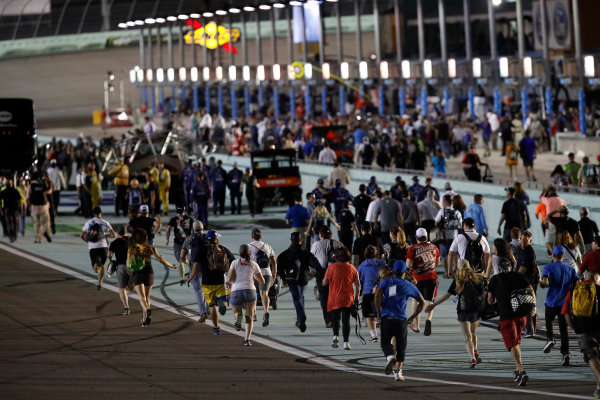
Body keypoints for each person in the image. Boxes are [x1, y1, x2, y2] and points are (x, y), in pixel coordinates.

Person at [426, 262, 483, 368]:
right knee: (473, 333)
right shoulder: (476, 280)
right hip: (474, 311)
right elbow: (481, 296)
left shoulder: (458, 280)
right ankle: (474, 352)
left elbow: (447, 295)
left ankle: (472, 358)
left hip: (463, 310)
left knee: (468, 336)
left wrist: (434, 305)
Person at [375, 260, 425, 381]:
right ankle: (398, 373)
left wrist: (378, 313)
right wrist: (413, 316)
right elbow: (422, 302)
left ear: (393, 271)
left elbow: (377, 295)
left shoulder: (386, 282)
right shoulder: (408, 285)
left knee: (385, 343)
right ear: (404, 271)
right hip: (401, 320)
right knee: (401, 347)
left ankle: (390, 357)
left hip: (387, 318)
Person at [488, 266, 535, 386]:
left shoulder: (494, 279)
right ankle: (517, 369)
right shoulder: (518, 275)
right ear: (511, 266)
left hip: (506, 317)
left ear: (498, 267)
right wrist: (533, 307)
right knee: (516, 343)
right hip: (520, 315)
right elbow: (531, 290)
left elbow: (490, 300)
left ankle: (521, 370)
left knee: (513, 344)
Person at [561, 267, 600, 399]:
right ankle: (599, 387)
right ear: (595, 279)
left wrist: (572, 327)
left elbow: (565, 312)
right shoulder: (598, 289)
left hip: (583, 329)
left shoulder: (574, 291)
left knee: (591, 355)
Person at [539, 245, 580, 366]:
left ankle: (550, 338)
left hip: (551, 302)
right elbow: (578, 282)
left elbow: (545, 282)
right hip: (564, 304)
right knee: (563, 331)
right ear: (563, 256)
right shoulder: (570, 269)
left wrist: (540, 282)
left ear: (553, 255)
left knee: (548, 321)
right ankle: (566, 354)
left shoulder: (548, 267)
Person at [188, 229, 234, 335]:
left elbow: (195, 264)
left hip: (207, 282)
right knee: (225, 300)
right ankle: (223, 302)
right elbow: (233, 261)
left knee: (212, 306)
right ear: (216, 239)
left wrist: (191, 276)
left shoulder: (202, 250)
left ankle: (216, 328)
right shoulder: (222, 249)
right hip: (220, 280)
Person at [128, 228, 177, 327]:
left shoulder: (131, 249)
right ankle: (144, 320)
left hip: (138, 274)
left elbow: (128, 264)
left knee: (141, 298)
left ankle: (147, 311)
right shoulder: (151, 248)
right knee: (147, 297)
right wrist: (171, 265)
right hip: (149, 274)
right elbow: (161, 259)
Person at [277, 232, 318, 332]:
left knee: (297, 298)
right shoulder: (305, 252)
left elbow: (279, 266)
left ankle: (301, 316)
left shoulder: (285, 253)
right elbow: (313, 262)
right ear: (301, 240)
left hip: (291, 278)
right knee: (301, 296)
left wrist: (283, 278)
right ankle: (300, 320)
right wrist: (312, 270)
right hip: (303, 279)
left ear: (291, 240)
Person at [322, 247, 360, 350]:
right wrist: (356, 297)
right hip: (347, 298)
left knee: (335, 319)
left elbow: (324, 282)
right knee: (346, 321)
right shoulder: (352, 268)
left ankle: (335, 336)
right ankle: (346, 342)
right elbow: (358, 284)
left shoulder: (331, 267)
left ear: (336, 257)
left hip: (334, 298)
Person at [227, 244, 265, 346]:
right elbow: (262, 280)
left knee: (236, 312)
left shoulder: (234, 263)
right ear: (250, 253)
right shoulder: (254, 264)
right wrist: (253, 276)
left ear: (239, 253)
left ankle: (238, 317)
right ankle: (247, 339)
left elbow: (229, 279)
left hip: (236, 290)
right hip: (250, 291)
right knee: (250, 317)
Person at [406, 228, 440, 336]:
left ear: (416, 238)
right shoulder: (434, 247)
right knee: (429, 300)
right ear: (427, 237)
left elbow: (408, 265)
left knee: (416, 300)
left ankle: (416, 326)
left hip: (417, 279)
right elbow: (437, 263)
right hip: (431, 278)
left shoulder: (412, 249)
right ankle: (428, 320)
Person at [311, 226, 343, 328]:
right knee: (335, 296)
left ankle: (328, 320)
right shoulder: (337, 243)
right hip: (336, 273)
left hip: (321, 273)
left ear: (320, 235)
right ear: (330, 234)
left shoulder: (316, 245)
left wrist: (312, 270)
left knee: (324, 298)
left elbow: (311, 259)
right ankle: (336, 318)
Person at [248, 227, 278, 327]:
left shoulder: (248, 246)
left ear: (252, 236)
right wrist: (273, 276)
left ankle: (254, 314)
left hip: (254, 274)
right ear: (261, 236)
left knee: (253, 294)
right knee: (264, 293)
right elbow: (274, 262)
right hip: (267, 273)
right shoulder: (268, 246)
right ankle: (266, 312)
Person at [81, 206, 116, 290]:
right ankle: (99, 284)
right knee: (102, 265)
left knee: (96, 269)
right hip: (103, 246)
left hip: (93, 247)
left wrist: (88, 241)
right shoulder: (105, 222)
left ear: (93, 213)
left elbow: (82, 235)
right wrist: (105, 236)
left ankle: (97, 263)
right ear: (101, 213)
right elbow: (113, 235)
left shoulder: (88, 223)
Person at [358, 245, 387, 342]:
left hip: (367, 292)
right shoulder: (382, 264)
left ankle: (374, 335)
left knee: (368, 315)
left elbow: (359, 281)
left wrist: (359, 294)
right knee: (382, 313)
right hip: (380, 292)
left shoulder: (362, 266)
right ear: (375, 254)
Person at [182, 221, 209, 322]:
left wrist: (186, 262)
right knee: (207, 289)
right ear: (202, 228)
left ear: (193, 229)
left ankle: (202, 312)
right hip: (206, 268)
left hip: (193, 267)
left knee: (198, 291)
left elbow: (182, 255)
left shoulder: (188, 239)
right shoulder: (207, 237)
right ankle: (208, 308)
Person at [517, 231, 540, 337]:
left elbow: (524, 267)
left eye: (525, 240)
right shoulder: (523, 250)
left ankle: (530, 330)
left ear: (530, 241)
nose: (522, 241)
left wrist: (514, 279)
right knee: (529, 304)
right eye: (521, 239)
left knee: (528, 304)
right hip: (528, 280)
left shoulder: (528, 251)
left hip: (528, 281)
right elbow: (536, 265)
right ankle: (530, 329)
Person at [435, 194, 462, 278]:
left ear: (445, 201)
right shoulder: (457, 212)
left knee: (444, 256)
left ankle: (447, 273)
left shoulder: (442, 211)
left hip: (444, 236)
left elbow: (436, 222)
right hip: (454, 236)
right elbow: (460, 225)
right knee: (455, 254)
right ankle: (455, 271)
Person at [166, 206, 194, 285]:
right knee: (189, 258)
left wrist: (167, 239)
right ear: (184, 211)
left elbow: (168, 229)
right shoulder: (190, 219)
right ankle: (192, 273)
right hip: (188, 242)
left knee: (180, 260)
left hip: (178, 243)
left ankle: (182, 278)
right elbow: (194, 230)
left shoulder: (174, 219)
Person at [107, 225, 131, 315]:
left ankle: (126, 308)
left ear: (117, 232)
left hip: (121, 267)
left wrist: (111, 261)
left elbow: (109, 255)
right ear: (126, 232)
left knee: (122, 288)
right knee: (134, 286)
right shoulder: (132, 240)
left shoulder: (114, 242)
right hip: (133, 266)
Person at [27, 173, 52, 243]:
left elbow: (27, 197)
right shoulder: (42, 184)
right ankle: (45, 232)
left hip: (34, 207)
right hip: (44, 207)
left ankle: (38, 239)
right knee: (45, 222)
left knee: (36, 224)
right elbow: (49, 192)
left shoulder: (30, 186)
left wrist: (29, 206)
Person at [0, 179, 22, 243]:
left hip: (6, 209)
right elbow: (20, 200)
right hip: (14, 209)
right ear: (11, 184)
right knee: (15, 223)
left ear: (5, 184)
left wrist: (0, 209)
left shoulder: (3, 191)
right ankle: (15, 237)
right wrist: (21, 208)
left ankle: (11, 237)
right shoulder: (15, 191)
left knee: (8, 223)